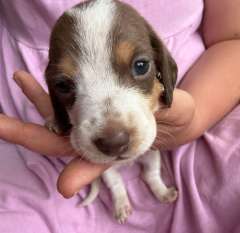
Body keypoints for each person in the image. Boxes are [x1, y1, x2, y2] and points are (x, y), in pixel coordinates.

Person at [0, 0, 240, 232]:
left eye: (140, 67)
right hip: (52, 161)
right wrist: (61, 121)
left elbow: (232, 39)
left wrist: (195, 118)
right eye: (65, 85)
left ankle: (152, 180)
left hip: (205, 115)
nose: (113, 135)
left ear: (162, 66)